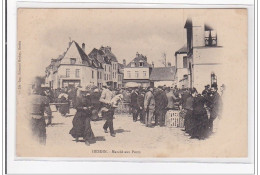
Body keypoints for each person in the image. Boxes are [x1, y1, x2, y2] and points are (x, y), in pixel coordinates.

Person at [28, 81, 52, 145]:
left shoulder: (27, 98)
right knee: (42, 136)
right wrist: (49, 120)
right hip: (40, 119)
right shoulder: (44, 98)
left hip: (29, 119)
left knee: (30, 135)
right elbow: (49, 111)